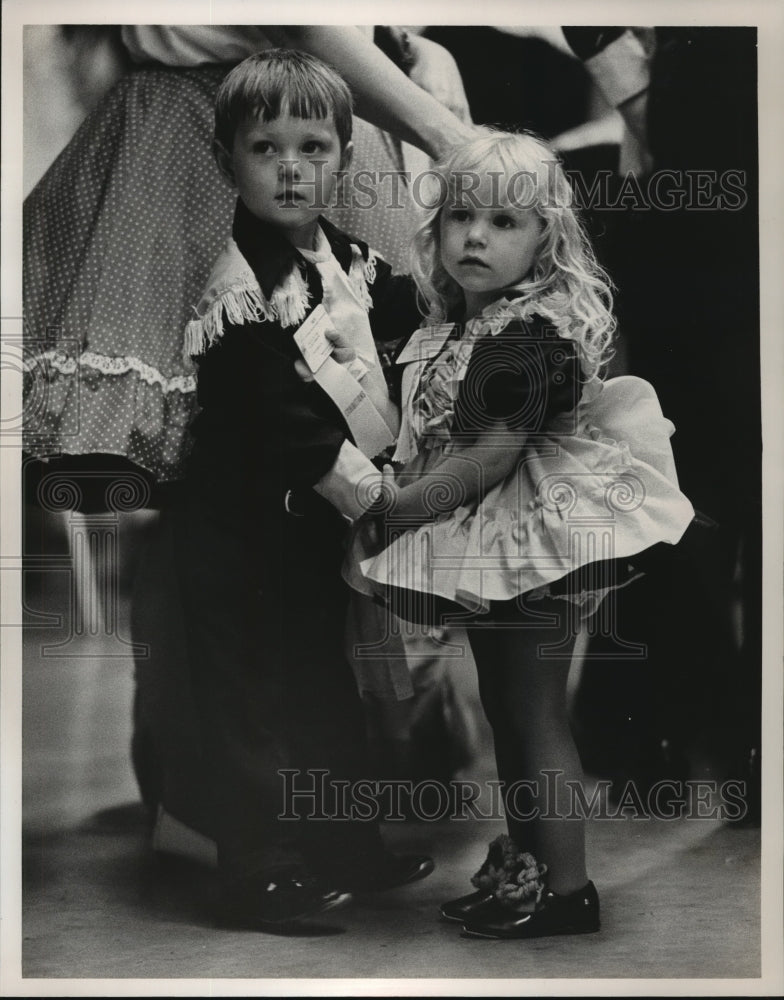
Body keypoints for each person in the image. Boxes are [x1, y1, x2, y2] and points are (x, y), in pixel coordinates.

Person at [344, 129, 695, 939]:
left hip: (538, 537)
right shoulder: (452, 328)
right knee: (505, 706)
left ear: (546, 239)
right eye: (462, 215)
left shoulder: (529, 335)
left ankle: (569, 889)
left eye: (505, 223)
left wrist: (394, 508)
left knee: (533, 709)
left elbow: (490, 461)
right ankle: (528, 863)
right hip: (491, 542)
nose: (476, 235)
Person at [173, 48, 438, 931]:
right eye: (265, 147)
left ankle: (343, 842)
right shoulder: (235, 294)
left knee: (321, 683)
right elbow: (296, 429)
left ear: (343, 157)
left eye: (313, 147)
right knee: (248, 698)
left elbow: (405, 352)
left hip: (304, 534)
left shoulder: (357, 263)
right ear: (225, 160)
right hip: (236, 530)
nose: (291, 168)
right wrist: (383, 503)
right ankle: (261, 865)